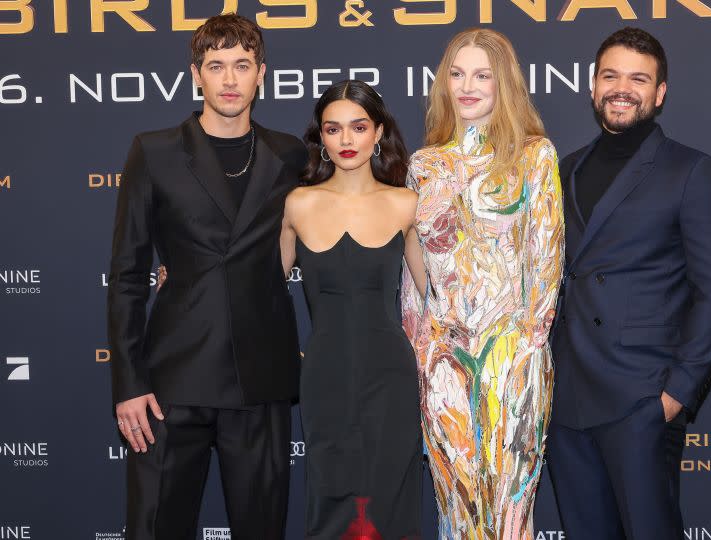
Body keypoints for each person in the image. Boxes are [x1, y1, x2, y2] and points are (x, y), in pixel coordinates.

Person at [106, 14, 304, 540]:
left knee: (262, 529)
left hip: (259, 377)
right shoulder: (155, 150)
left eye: (242, 65)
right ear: (197, 75)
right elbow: (127, 272)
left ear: (261, 73)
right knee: (155, 528)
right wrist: (129, 383)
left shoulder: (291, 155)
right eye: (216, 66)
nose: (230, 79)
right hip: (172, 380)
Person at [545, 27, 711, 540]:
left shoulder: (693, 172)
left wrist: (676, 393)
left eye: (638, 78)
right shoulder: (563, 171)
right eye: (611, 75)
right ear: (592, 86)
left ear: (660, 92)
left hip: (640, 396)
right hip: (566, 397)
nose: (622, 88)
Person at [400, 28, 565, 539]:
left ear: (504, 83)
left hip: (513, 352)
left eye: (482, 75)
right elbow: (413, 269)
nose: (467, 85)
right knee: (457, 504)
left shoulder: (534, 157)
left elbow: (548, 255)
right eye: (456, 73)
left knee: (511, 510)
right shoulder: (424, 166)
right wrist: (422, 343)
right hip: (443, 357)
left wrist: (528, 343)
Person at [279, 79, 425, 540]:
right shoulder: (299, 203)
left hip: (391, 374)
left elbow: (435, 292)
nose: (345, 140)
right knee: (331, 491)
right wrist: (185, 275)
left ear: (378, 132)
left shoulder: (406, 204)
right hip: (324, 373)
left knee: (391, 496)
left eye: (358, 127)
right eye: (333, 129)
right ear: (320, 138)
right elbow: (258, 288)